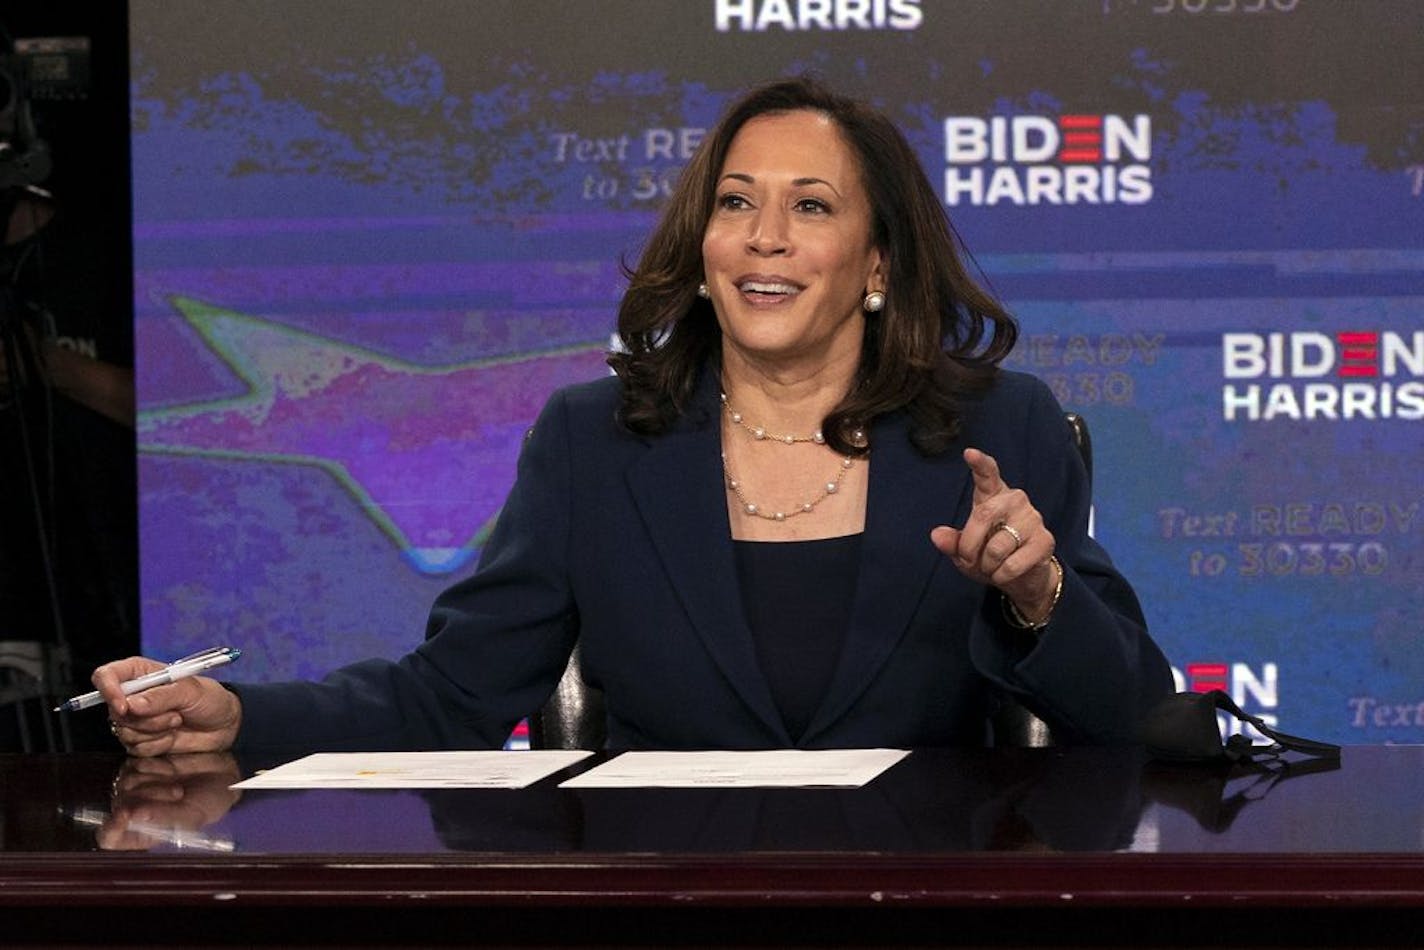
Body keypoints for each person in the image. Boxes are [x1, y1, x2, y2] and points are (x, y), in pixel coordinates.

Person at [95, 76, 1173, 757]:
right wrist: (243, 718)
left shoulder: (995, 429)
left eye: (809, 206)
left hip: (918, 904)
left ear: (877, 262)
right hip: (670, 901)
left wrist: (1035, 595)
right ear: (700, 251)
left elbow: (1126, 713)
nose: (761, 237)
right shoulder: (594, 440)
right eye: (735, 202)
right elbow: (451, 695)